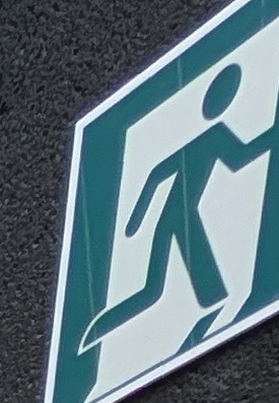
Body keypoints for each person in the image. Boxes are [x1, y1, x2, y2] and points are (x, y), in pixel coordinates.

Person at [82, 65, 263, 351]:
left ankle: (97, 332)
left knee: (154, 292)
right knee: (174, 294)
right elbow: (242, 157)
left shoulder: (212, 137)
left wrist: (136, 222)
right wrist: (273, 135)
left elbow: (156, 175)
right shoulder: (216, 135)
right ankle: (96, 334)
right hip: (182, 220)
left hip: (174, 219)